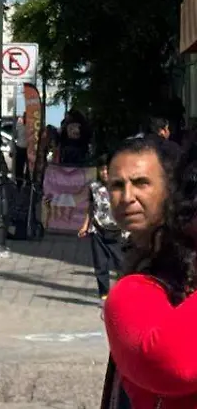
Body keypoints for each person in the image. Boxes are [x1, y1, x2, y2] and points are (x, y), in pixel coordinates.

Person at [102, 135, 196, 408]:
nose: (127, 197)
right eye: (117, 186)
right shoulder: (136, 288)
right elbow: (172, 362)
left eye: (141, 183)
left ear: (172, 190)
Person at [78, 160, 125, 300]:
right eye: (101, 169)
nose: (104, 173)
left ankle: (122, 294)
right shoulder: (94, 187)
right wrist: (85, 225)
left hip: (118, 232)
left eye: (107, 169)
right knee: (100, 265)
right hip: (98, 230)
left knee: (121, 265)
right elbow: (91, 207)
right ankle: (104, 295)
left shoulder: (121, 187)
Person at [14, 114, 29, 183]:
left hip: (28, 148)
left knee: (28, 166)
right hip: (20, 147)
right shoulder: (19, 124)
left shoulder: (30, 125)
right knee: (19, 166)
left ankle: (28, 181)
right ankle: (19, 182)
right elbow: (15, 135)